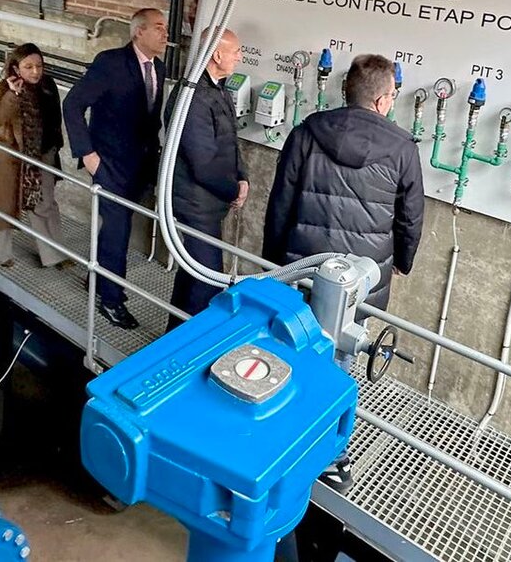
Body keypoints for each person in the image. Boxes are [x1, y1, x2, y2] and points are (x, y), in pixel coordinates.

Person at [262, 52, 425, 493]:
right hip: (361, 278)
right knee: (343, 360)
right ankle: (333, 458)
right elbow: (410, 219)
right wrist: (403, 262)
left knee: (293, 348)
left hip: (304, 269)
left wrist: (277, 261)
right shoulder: (402, 148)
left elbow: (281, 202)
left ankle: (278, 434)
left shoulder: (306, 133)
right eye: (392, 94)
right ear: (382, 100)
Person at [62, 8, 167, 330]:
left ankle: (98, 276)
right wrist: (88, 154)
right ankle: (111, 300)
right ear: (139, 32)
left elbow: (148, 120)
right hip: (109, 165)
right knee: (117, 229)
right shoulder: (110, 63)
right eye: (159, 28)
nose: (166, 35)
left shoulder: (158, 68)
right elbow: (73, 105)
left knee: (114, 228)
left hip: (140, 164)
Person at [163, 28, 248, 329]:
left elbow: (229, 141)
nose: (240, 56)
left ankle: (171, 338)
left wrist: (243, 176)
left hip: (208, 202)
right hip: (193, 204)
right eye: (236, 50)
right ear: (217, 55)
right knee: (208, 281)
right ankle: (190, 352)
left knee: (192, 274)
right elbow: (202, 163)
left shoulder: (217, 88)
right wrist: (232, 190)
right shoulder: (193, 97)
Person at [0, 43, 72, 270]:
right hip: (9, 158)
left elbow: (54, 119)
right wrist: (13, 94)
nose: (36, 72)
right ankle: (2, 254)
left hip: (42, 154)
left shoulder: (48, 85)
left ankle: (54, 254)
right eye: (29, 67)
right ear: (16, 69)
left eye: (39, 66)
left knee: (45, 203)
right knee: (5, 204)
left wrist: (54, 147)